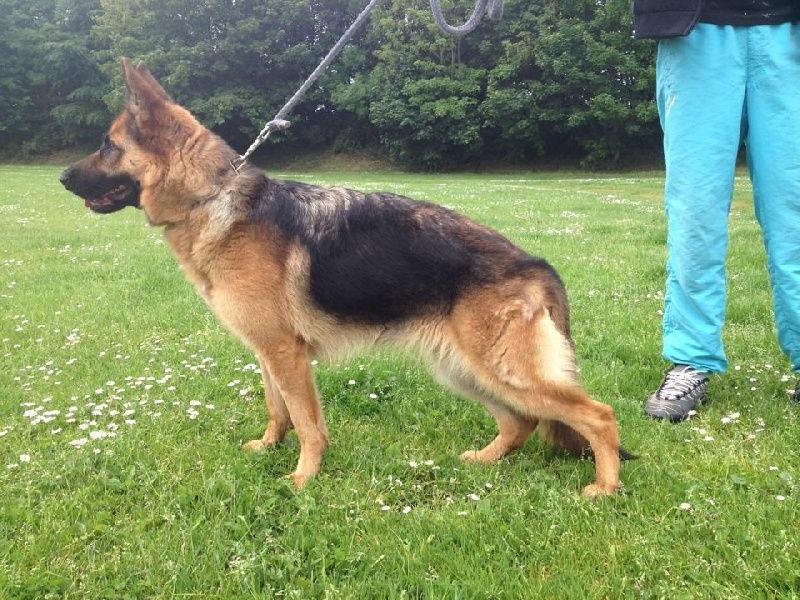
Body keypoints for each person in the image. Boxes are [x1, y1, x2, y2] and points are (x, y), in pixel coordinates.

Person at [632, 0, 800, 421]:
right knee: (696, 215)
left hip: (789, 33)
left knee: (795, 211)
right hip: (697, 30)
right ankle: (691, 360)